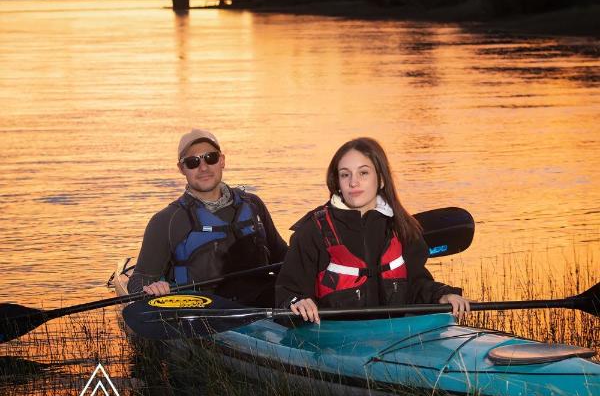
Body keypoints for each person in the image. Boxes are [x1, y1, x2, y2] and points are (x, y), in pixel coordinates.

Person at [276, 137, 470, 323]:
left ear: (381, 179)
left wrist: (442, 295)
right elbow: (288, 292)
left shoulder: (400, 227)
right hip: (335, 341)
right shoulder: (313, 231)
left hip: (394, 336)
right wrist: (296, 301)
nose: (353, 182)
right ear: (337, 183)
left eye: (363, 173)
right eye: (345, 174)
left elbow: (415, 284)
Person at [128, 129, 287, 304]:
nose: (203, 168)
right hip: (205, 313)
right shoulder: (167, 221)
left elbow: (284, 258)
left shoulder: (253, 204)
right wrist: (152, 288)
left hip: (265, 307)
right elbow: (137, 282)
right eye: (192, 162)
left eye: (211, 158)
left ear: (222, 160)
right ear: (182, 169)